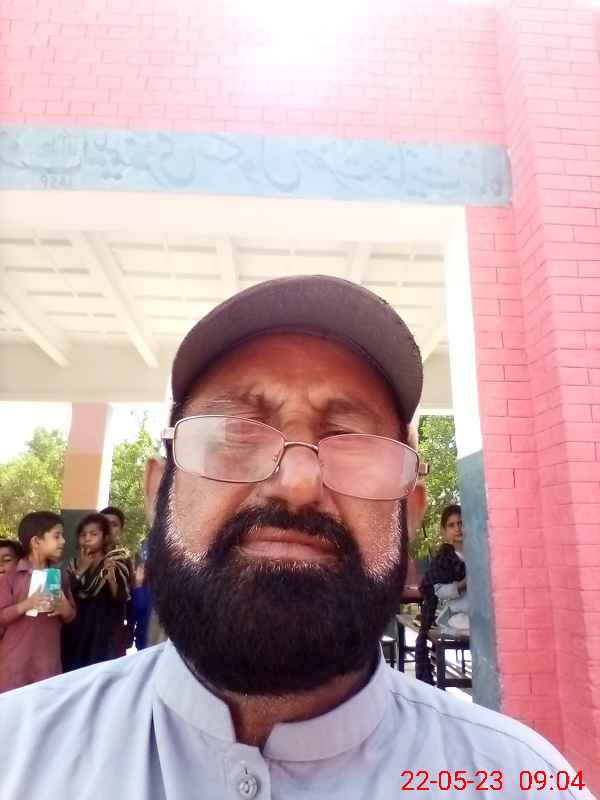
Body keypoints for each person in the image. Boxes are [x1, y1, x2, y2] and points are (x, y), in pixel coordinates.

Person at [0, 277, 594, 799]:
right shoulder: (15, 753)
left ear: (409, 513)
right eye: (237, 433)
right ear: (158, 494)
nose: (298, 482)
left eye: (352, 443)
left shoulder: (519, 779)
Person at [0, 512, 74, 692]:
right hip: (15, 664)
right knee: (13, 706)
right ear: (36, 542)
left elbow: (71, 616)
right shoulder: (11, 577)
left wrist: (65, 609)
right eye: (57, 536)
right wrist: (27, 604)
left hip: (47, 664)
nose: (63, 541)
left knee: (45, 705)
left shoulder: (60, 577)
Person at [61, 513, 130, 671]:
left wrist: (111, 579)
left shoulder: (115, 562)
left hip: (102, 631)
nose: (87, 538)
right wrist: (82, 569)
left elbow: (120, 599)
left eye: (94, 534)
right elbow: (66, 593)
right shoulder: (74, 564)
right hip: (75, 630)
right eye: (83, 534)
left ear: (105, 538)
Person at [415, 504, 468, 685]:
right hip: (456, 618)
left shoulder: (478, 552)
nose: (457, 529)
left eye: (461, 523)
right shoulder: (444, 559)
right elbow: (439, 591)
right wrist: (463, 584)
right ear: (444, 531)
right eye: (451, 525)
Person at [100, 505, 135, 657]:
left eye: (114, 524)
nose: (108, 528)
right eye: (103, 524)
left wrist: (130, 628)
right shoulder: (83, 558)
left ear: (121, 530)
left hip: (112, 629)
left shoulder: (123, 559)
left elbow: (126, 598)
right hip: (85, 629)